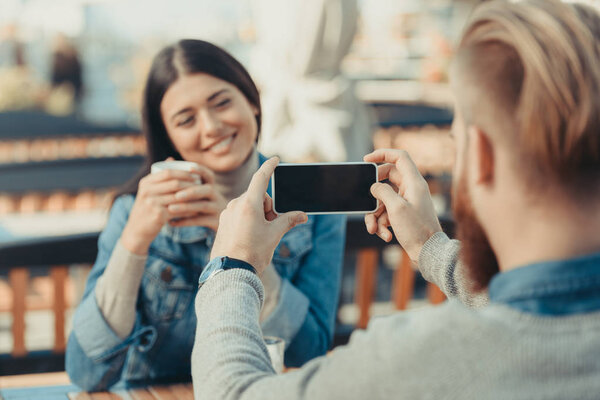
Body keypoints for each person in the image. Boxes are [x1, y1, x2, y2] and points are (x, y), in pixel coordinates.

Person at [191, 0, 600, 398]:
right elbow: (539, 307)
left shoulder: (420, 360)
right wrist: (430, 247)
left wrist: (232, 265)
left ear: (482, 157)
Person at [65, 39, 346, 391]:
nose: (211, 126)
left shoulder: (315, 207)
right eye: (186, 120)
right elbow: (86, 372)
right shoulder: (134, 212)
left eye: (222, 102)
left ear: (252, 102)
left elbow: (307, 354)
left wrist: (237, 244)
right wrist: (134, 239)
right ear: (168, 137)